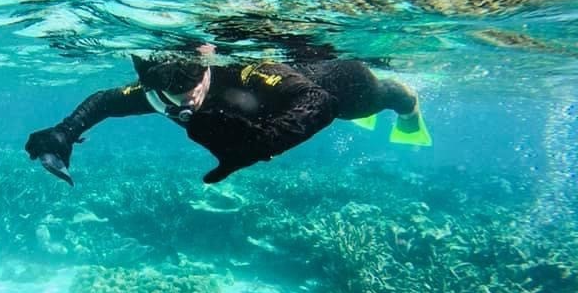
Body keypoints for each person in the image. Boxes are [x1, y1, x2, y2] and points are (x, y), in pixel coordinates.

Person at [24, 45, 431, 186]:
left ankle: (409, 104)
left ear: (205, 70)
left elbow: (320, 102)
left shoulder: (247, 69)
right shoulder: (155, 88)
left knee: (383, 98)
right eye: (174, 100)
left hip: (337, 79)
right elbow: (107, 101)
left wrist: (260, 144)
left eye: (192, 94)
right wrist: (65, 131)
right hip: (287, 103)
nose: (185, 106)